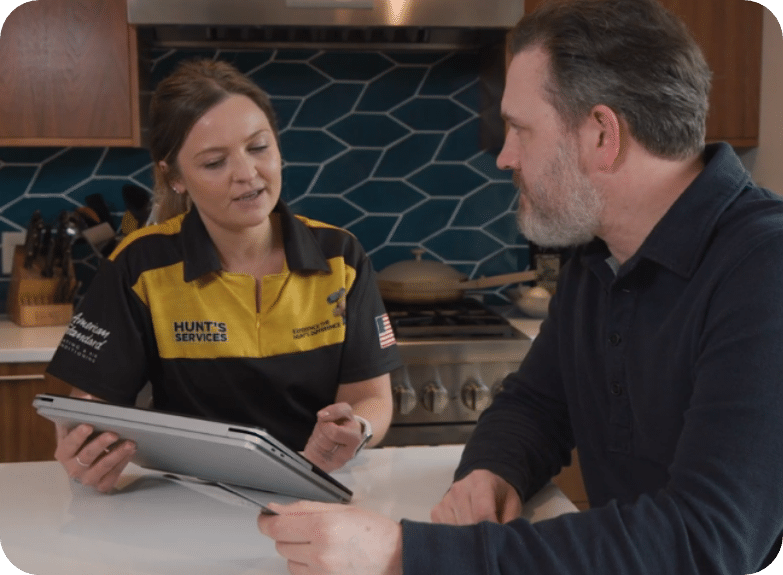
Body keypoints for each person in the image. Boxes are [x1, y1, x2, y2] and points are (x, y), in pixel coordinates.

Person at [257, 0, 783, 573]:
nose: (504, 157)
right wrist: (495, 470)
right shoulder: (597, 255)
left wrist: (407, 553)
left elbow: (707, 540)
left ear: (602, 135)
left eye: (520, 129)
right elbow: (537, 404)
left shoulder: (764, 268)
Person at [45, 59, 401, 492]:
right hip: (191, 498)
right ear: (175, 177)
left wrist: (358, 427)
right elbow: (90, 406)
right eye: (214, 162)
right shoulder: (139, 265)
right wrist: (86, 446)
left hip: (317, 492)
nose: (247, 174)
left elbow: (371, 396)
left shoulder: (341, 256)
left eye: (258, 147)